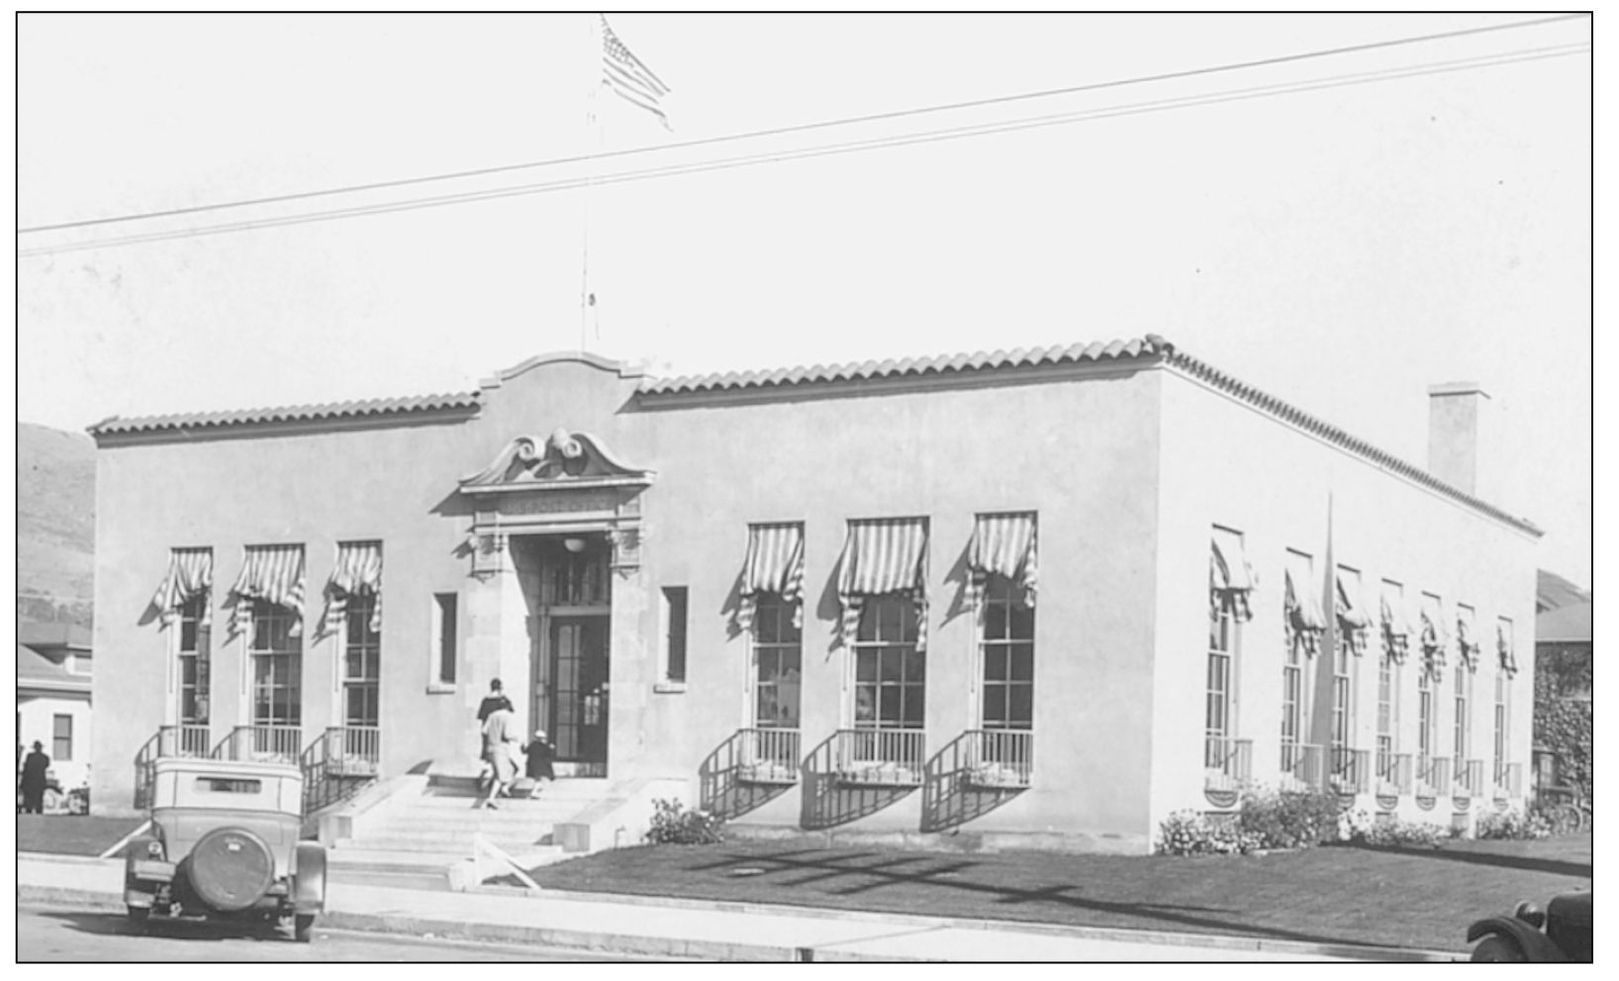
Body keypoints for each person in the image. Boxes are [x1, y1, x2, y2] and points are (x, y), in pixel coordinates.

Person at [475, 679, 514, 788]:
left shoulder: (485, 700)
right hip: (499, 733)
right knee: (500, 757)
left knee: (488, 756)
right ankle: (493, 780)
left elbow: (481, 717)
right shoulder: (502, 700)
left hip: (487, 731)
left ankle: (485, 775)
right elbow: (510, 710)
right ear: (500, 687)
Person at [479, 704, 518, 809]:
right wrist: (518, 738)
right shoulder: (507, 716)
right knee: (502, 774)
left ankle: (500, 789)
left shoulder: (491, 715)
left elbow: (484, 731)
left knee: (505, 770)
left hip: (490, 747)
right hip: (501, 748)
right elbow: (507, 734)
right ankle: (491, 797)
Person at [522, 729, 556, 798]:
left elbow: (525, 751)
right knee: (542, 780)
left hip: (533, 765)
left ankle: (534, 792)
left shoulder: (533, 745)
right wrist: (551, 748)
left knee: (538, 780)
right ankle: (534, 793)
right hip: (542, 766)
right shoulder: (544, 746)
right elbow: (548, 754)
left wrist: (522, 745)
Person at [19, 741, 51, 815]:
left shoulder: (31, 756)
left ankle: (31, 810)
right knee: (37, 799)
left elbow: (26, 768)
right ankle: (36, 810)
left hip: (31, 781)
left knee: (31, 799)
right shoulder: (44, 757)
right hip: (37, 781)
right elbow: (46, 765)